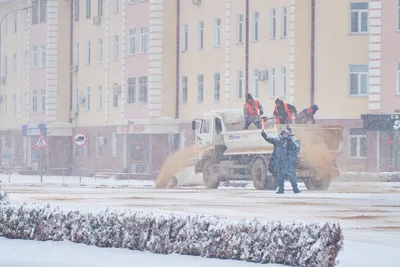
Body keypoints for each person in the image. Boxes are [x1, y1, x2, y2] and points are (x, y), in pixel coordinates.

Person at [261, 126, 301, 194]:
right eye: (283, 133)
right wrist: (264, 135)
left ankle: (295, 189)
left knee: (292, 177)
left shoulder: (293, 140)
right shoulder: (278, 140)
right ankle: (281, 189)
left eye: (286, 133)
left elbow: (296, 148)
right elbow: (270, 139)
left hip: (289, 163)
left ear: (289, 133)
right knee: (280, 177)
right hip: (280, 163)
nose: (284, 134)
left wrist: (291, 142)